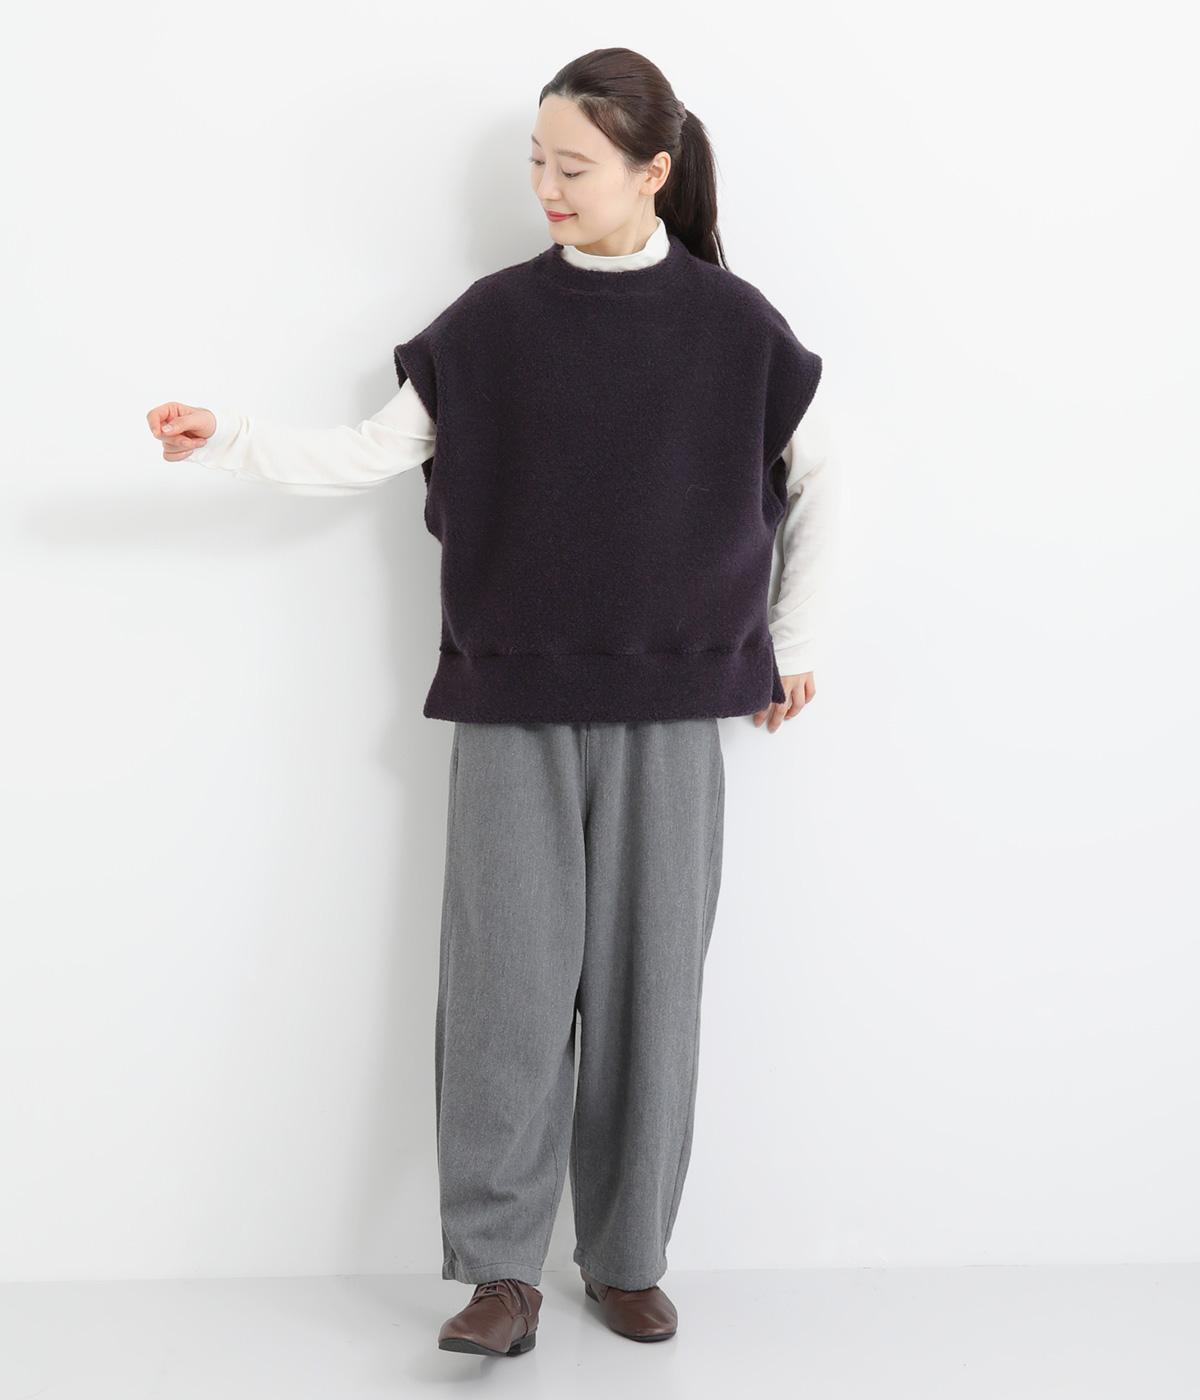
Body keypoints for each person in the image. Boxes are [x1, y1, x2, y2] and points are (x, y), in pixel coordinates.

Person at [146, 47, 836, 1358]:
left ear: (654, 170)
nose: (548, 188)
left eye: (573, 165)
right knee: (505, 993)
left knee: (651, 999)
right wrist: (227, 437)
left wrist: (792, 640)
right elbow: (371, 451)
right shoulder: (494, 321)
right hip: (513, 698)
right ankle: (501, 1275)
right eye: (536, 163)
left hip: (675, 704)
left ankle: (626, 1259)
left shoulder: (734, 326)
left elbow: (829, 474)